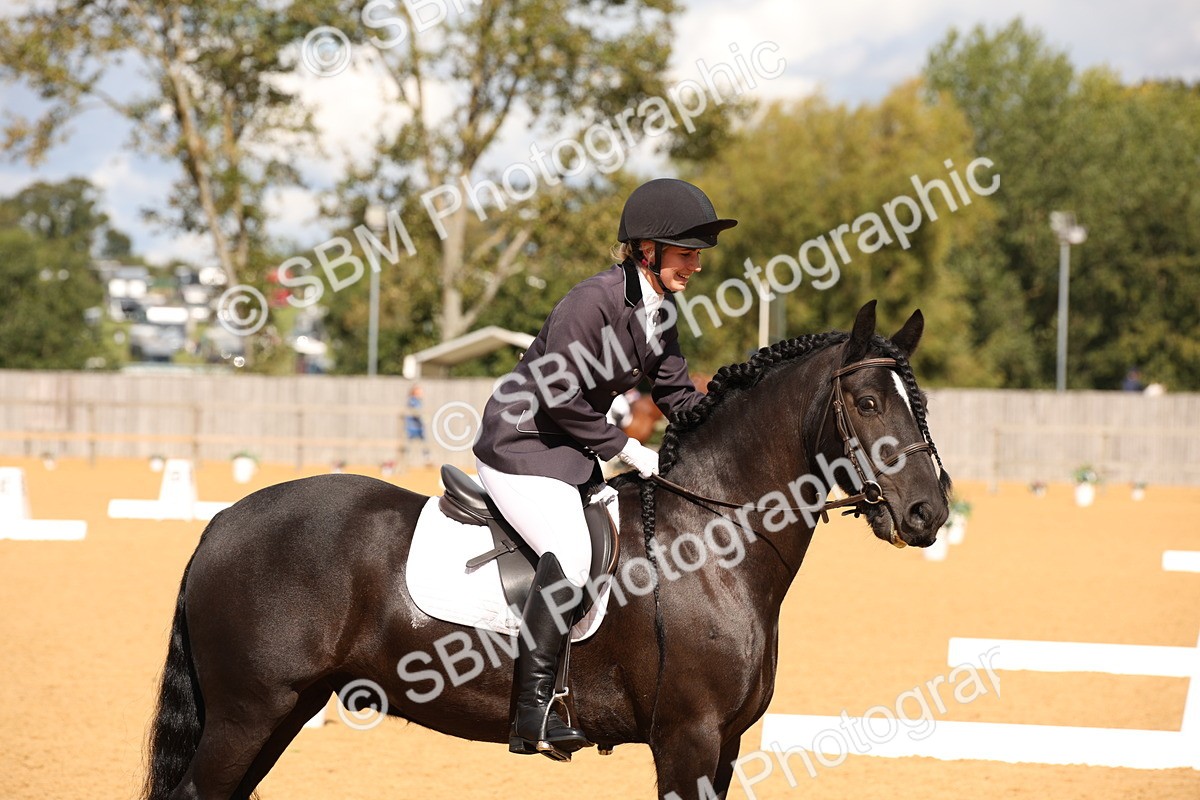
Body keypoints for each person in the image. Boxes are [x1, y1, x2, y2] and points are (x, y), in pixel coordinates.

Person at [471, 178, 737, 758]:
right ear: (648, 249)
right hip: (521, 444)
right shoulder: (590, 302)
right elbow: (558, 393)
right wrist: (624, 447)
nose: (696, 265)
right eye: (687, 253)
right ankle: (531, 712)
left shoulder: (659, 313)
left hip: (569, 454)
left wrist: (735, 404)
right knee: (568, 552)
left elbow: (677, 397)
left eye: (698, 254)